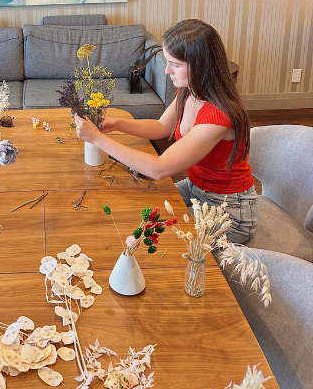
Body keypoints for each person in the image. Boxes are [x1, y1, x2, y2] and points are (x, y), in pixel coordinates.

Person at [74, 19, 257, 243]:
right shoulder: (190, 92)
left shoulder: (219, 116)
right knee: (139, 215)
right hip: (196, 189)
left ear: (201, 65)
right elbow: (161, 127)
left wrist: (97, 138)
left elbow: (159, 169)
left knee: (159, 238)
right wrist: (117, 123)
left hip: (230, 211)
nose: (167, 70)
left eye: (175, 64)